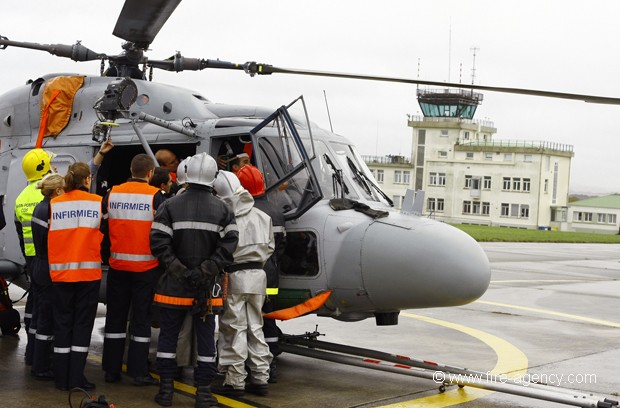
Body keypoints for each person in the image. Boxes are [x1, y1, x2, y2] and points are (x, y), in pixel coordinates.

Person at [150, 152, 238, 408]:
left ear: (186, 175)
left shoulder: (169, 205)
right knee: (206, 340)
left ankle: (166, 391)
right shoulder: (224, 209)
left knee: (167, 338)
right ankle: (203, 393)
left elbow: (158, 243)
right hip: (207, 289)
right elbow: (229, 246)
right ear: (213, 177)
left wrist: (180, 270)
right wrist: (206, 270)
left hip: (173, 286)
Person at [102, 154, 164, 386]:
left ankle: (111, 369)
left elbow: (105, 227)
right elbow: (161, 234)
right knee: (141, 321)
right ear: (150, 173)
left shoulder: (112, 194)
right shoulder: (156, 197)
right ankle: (138, 372)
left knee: (115, 319)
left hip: (118, 267)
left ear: (130, 169)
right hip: (146, 269)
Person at [211, 170, 274, 397]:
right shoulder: (263, 217)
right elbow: (269, 248)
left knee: (234, 329)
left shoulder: (226, 218)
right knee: (256, 327)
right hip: (258, 277)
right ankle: (260, 378)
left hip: (234, 278)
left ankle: (235, 381)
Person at [48, 162, 103, 391]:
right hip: (88, 275)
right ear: (88, 179)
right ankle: (76, 379)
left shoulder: (54, 204)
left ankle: (61, 379)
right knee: (81, 327)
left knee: (62, 325)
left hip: (61, 275)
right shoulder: (98, 202)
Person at [236, 164, 287, 382]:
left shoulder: (240, 211)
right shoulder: (275, 210)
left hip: (245, 275)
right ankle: (270, 365)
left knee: (243, 321)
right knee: (267, 317)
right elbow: (281, 245)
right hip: (270, 275)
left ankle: (244, 367)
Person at [14, 148, 53, 365]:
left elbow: (20, 231)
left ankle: (32, 349)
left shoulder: (21, 197)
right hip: (47, 257)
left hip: (31, 258)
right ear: (44, 167)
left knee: (35, 303)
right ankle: (41, 356)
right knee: (46, 309)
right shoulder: (46, 195)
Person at [30, 174, 65, 380]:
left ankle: (33, 357)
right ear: (57, 191)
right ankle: (41, 366)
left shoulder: (40, 207)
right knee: (46, 319)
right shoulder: (51, 209)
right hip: (47, 267)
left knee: (38, 315)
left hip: (38, 264)